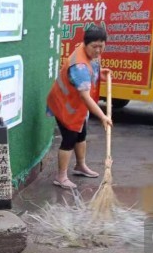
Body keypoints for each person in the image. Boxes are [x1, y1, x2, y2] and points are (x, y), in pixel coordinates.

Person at [46, 25, 112, 189]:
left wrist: (100, 73)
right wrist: (102, 116)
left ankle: (80, 166)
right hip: (65, 106)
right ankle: (61, 177)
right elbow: (85, 95)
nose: (98, 51)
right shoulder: (79, 66)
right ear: (85, 43)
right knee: (69, 139)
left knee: (81, 135)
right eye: (94, 47)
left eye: (101, 46)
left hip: (77, 106)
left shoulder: (87, 54)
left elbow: (91, 71)